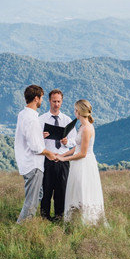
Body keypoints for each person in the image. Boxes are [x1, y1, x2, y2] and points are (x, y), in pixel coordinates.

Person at [56, 99, 106, 226]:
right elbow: (76, 148)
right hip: (78, 163)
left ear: (78, 112)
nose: (74, 112)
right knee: (77, 190)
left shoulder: (87, 129)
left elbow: (83, 153)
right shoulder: (82, 126)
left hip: (84, 164)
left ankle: (86, 221)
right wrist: (62, 154)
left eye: (75, 110)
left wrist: (64, 159)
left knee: (83, 190)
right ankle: (76, 219)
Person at [15, 85, 57, 223]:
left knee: (38, 195)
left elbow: (28, 136)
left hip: (27, 162)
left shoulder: (23, 114)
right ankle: (22, 228)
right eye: (42, 98)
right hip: (33, 164)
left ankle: (24, 225)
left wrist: (39, 135)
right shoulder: (32, 119)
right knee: (31, 201)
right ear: (36, 98)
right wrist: (49, 153)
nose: (42, 101)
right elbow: (35, 147)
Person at [39, 89, 77, 221]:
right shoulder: (41, 119)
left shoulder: (67, 120)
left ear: (62, 102)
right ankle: (44, 217)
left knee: (62, 191)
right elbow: (34, 141)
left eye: (59, 101)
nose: (56, 104)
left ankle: (59, 217)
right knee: (46, 190)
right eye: (54, 101)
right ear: (49, 101)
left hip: (63, 160)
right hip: (47, 160)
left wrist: (67, 142)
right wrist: (40, 136)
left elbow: (75, 140)